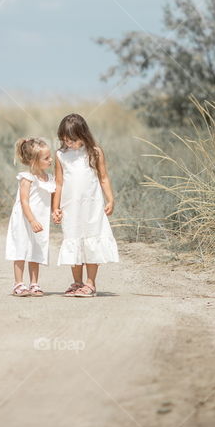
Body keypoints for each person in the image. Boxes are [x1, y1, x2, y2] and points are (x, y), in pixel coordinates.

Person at [52, 113, 118, 297]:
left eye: (72, 139)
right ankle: (77, 282)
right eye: (65, 139)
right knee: (73, 238)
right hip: (70, 207)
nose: (69, 143)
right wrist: (55, 208)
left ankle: (90, 283)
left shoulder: (94, 152)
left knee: (91, 239)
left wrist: (110, 199)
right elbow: (59, 183)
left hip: (92, 206)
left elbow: (103, 178)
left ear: (83, 135)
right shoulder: (61, 155)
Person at [5, 137, 56, 297]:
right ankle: (18, 284)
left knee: (36, 249)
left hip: (40, 220)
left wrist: (55, 211)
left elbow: (52, 198)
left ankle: (34, 283)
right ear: (34, 161)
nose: (51, 160)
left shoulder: (49, 179)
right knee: (21, 249)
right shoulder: (27, 178)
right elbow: (24, 201)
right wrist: (31, 220)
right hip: (24, 219)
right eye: (46, 158)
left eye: (50, 157)